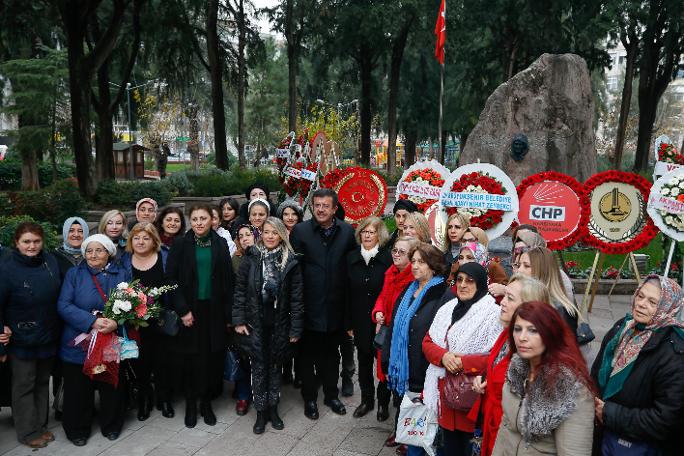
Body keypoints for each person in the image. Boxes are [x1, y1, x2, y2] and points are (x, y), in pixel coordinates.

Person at [591, 275, 684, 455]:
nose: (641, 304)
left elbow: (666, 419)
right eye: (640, 296)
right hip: (603, 437)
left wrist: (609, 413)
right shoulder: (623, 328)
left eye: (652, 302)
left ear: (668, 308)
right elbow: (596, 373)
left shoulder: (675, 354)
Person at [492, 301, 595, 456]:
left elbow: (573, 452)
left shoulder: (572, 389)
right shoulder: (516, 370)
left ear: (550, 334)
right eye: (518, 329)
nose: (522, 338)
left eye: (533, 330)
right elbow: (505, 432)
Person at [57, 234, 131, 446]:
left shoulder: (121, 273)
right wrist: (91, 321)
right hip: (79, 341)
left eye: (99, 250)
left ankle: (112, 425)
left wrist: (116, 322)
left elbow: (133, 303)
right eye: (89, 250)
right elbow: (63, 305)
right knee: (79, 388)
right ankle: (77, 429)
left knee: (110, 385)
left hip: (110, 339)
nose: (93, 255)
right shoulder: (74, 274)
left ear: (108, 253)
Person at [422, 262, 503, 456]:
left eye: (470, 281)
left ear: (481, 284)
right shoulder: (447, 309)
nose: (463, 285)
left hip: (472, 398)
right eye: (459, 279)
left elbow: (498, 356)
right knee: (449, 448)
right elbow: (427, 342)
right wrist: (443, 356)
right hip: (445, 397)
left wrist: (463, 363)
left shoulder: (493, 314)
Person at [290, 188, 357, 420]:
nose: (320, 209)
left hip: (335, 308)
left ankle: (331, 395)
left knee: (332, 356)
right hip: (308, 307)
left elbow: (351, 270)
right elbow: (294, 271)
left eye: (325, 206)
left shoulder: (347, 232)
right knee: (307, 357)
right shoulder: (300, 231)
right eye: (316, 205)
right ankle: (309, 399)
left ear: (334, 208)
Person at [233, 217, 304, 434]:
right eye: (266, 232)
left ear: (281, 234)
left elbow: (297, 298)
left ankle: (273, 409)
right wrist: (239, 320)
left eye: (275, 232)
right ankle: (261, 412)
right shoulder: (251, 258)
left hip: (279, 325)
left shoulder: (290, 260)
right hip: (255, 324)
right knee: (258, 369)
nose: (270, 236)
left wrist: (295, 328)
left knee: (275, 369)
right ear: (260, 234)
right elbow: (240, 291)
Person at [166, 204, 234, 428]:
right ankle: (191, 406)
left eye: (203, 218)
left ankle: (206, 403)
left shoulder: (220, 243)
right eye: (194, 219)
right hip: (189, 310)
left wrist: (228, 316)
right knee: (191, 360)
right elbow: (171, 281)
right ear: (190, 221)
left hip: (213, 311)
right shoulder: (180, 244)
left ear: (211, 220)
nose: (199, 223)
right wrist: (183, 310)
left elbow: (227, 281)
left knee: (211, 360)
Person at [472, 275, 550, 456]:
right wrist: (483, 378)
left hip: (510, 440)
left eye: (510, 298)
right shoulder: (506, 334)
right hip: (492, 428)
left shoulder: (534, 351)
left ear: (529, 307)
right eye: (504, 296)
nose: (502, 303)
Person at [0, 223, 62, 448]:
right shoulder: (6, 268)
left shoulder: (50, 261)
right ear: (17, 243)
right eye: (26, 241)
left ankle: (40, 425)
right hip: (21, 337)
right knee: (24, 385)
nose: (32, 246)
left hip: (47, 333)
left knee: (43, 382)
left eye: (36, 241)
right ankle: (27, 431)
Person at [382, 243, 448, 456]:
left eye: (421, 262)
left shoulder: (442, 294)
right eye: (414, 261)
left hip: (423, 369)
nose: (415, 266)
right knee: (412, 425)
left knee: (425, 430)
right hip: (404, 369)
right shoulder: (409, 289)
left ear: (434, 266)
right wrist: (386, 357)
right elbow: (394, 326)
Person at [120, 223, 173, 420]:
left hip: (160, 320)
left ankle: (164, 399)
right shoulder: (124, 261)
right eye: (136, 238)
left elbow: (172, 287)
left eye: (146, 238)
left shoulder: (164, 257)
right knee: (141, 364)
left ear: (154, 240)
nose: (141, 242)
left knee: (163, 363)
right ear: (131, 241)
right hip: (136, 324)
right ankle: (144, 400)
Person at [372, 236, 419, 445]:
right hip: (388, 334)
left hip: (402, 340)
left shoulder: (413, 280)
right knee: (386, 379)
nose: (396, 254)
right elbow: (382, 297)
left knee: (401, 385)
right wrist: (378, 311)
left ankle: (402, 431)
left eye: (401, 252)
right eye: (394, 250)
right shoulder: (390, 273)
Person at [346, 217, 392, 419]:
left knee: (383, 364)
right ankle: (367, 400)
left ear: (379, 235)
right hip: (359, 320)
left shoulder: (388, 258)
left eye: (372, 232)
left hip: (382, 322)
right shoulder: (350, 257)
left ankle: (383, 403)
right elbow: (343, 291)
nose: (367, 235)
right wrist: (348, 322)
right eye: (364, 231)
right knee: (363, 361)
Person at [516, 247, 580, 334]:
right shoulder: (525, 297)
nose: (519, 270)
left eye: (526, 266)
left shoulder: (560, 310)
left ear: (543, 270)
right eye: (518, 265)